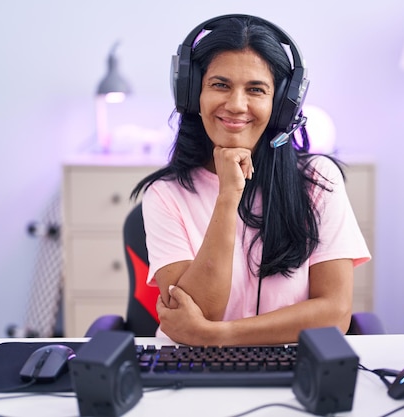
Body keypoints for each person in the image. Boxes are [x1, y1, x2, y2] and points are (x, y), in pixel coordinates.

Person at [131, 14, 370, 346]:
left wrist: (220, 335)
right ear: (191, 93)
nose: (236, 105)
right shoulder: (165, 194)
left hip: (289, 369)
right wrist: (228, 196)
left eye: (256, 90)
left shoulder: (318, 180)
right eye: (220, 85)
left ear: (282, 104)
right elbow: (199, 313)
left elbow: (334, 314)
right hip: (190, 370)